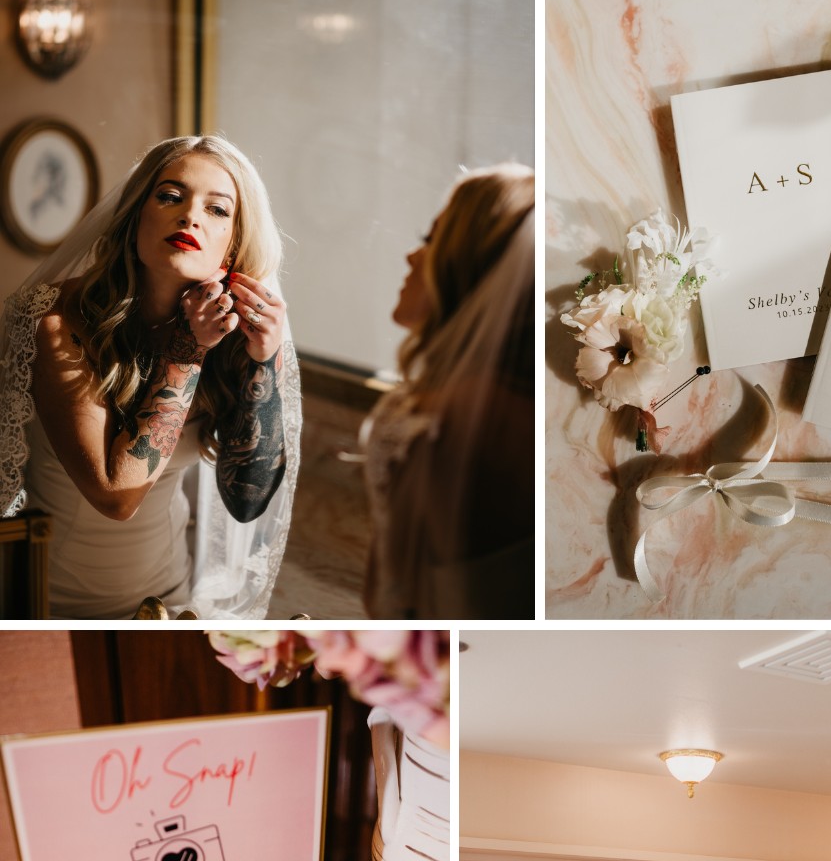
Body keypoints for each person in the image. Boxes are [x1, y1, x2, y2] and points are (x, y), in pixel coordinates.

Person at [0, 134, 301, 619]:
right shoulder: (54, 323)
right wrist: (188, 350)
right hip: (45, 600)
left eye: (218, 210)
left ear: (234, 243)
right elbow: (116, 495)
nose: (190, 217)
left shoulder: (231, 337)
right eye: (170, 196)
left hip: (166, 597)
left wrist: (263, 359)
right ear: (136, 214)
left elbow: (247, 500)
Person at [363, 163, 534, 619]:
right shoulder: (485, 400)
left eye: (429, 240)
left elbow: (421, 595)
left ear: (469, 262)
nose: (411, 257)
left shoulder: (465, 415)